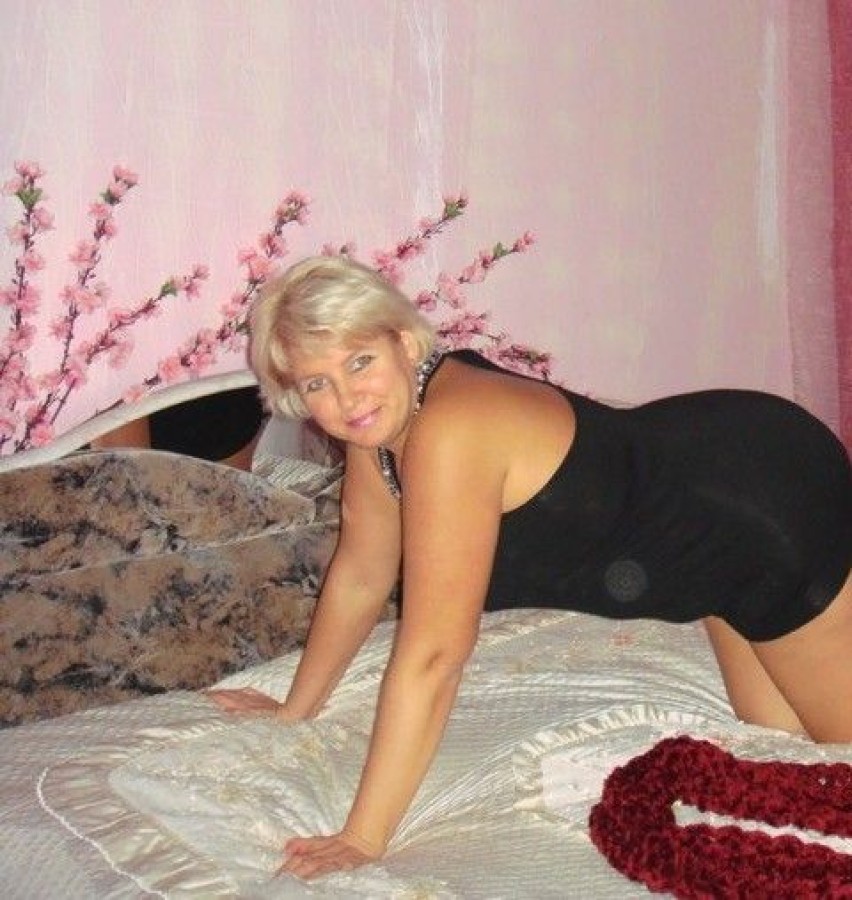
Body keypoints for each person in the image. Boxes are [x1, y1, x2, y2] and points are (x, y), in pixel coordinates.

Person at [207, 254, 852, 880]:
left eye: (359, 361)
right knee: (780, 743)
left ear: (403, 342)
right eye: (317, 384)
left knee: (842, 763)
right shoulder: (379, 434)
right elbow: (361, 575)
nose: (348, 398)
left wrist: (361, 837)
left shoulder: (453, 430)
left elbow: (434, 655)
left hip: (764, 503)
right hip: (707, 537)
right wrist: (294, 709)